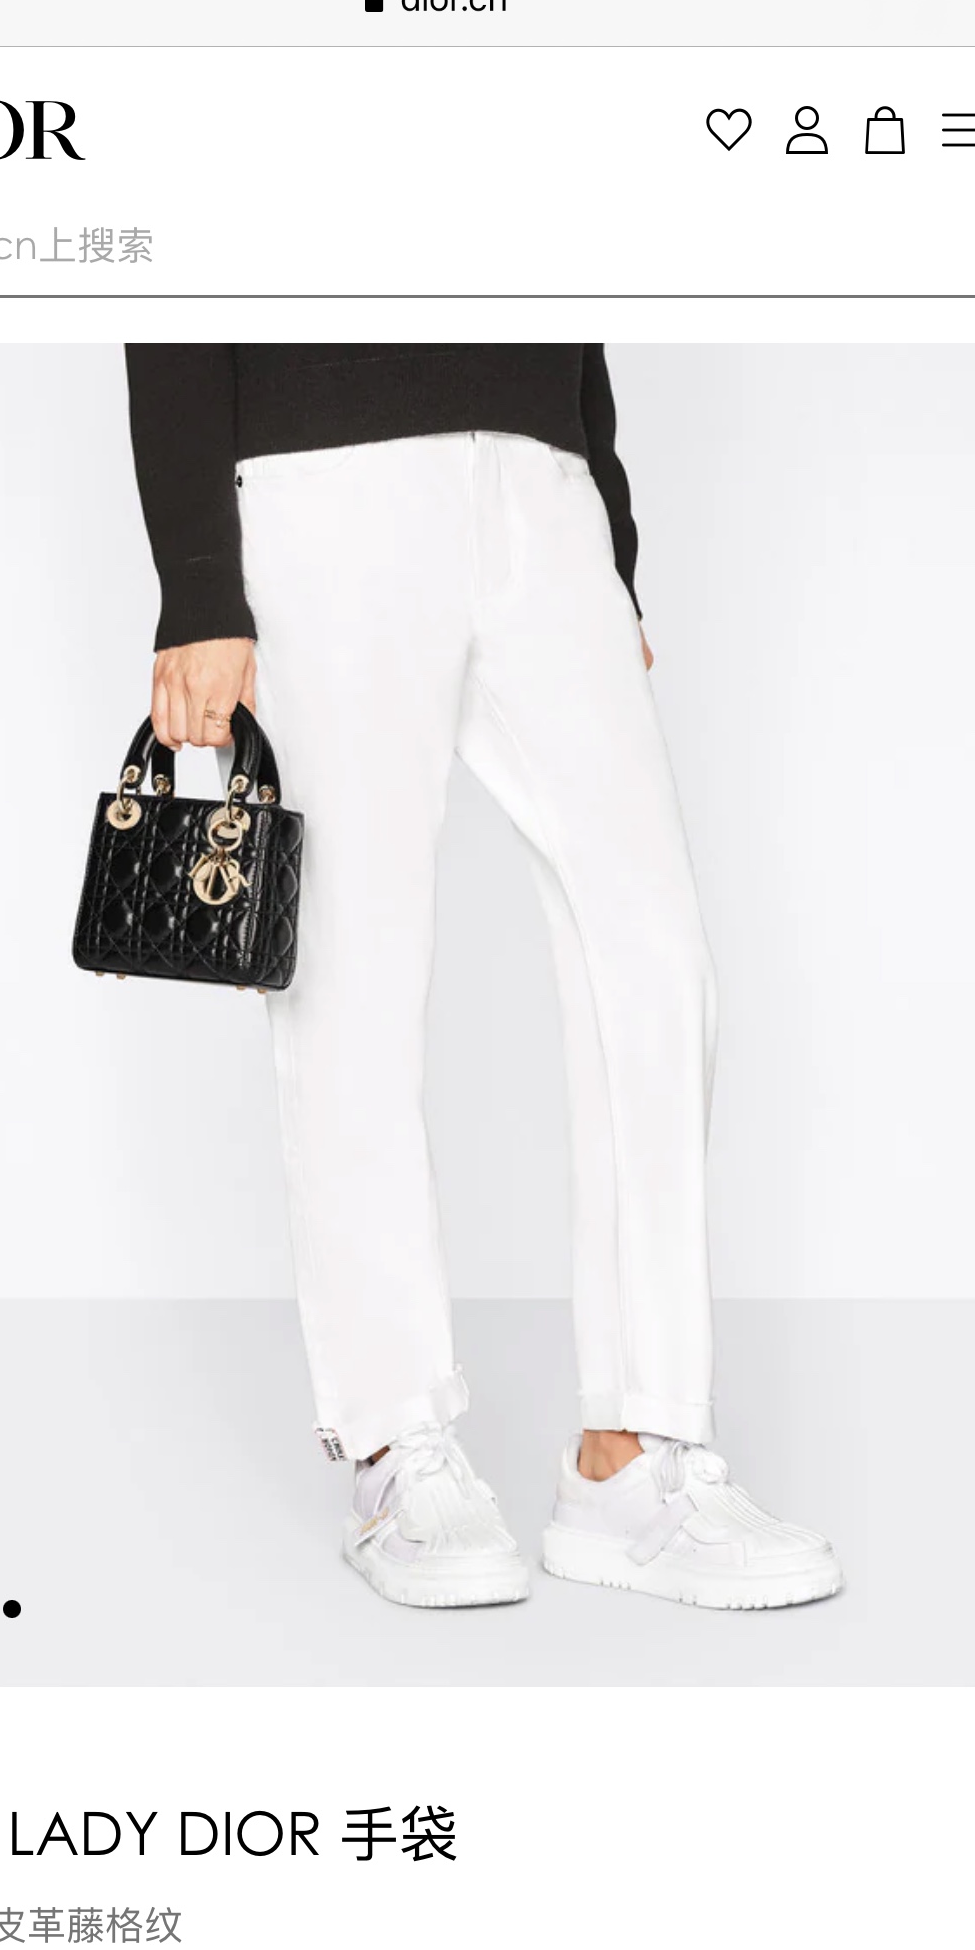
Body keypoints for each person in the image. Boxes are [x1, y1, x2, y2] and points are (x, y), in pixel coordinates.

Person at [125, 344, 841, 1613]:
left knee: (654, 957)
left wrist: (605, 528)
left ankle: (637, 1449)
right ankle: (394, 1442)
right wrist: (197, 585)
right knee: (349, 969)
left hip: (541, 477)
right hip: (321, 478)